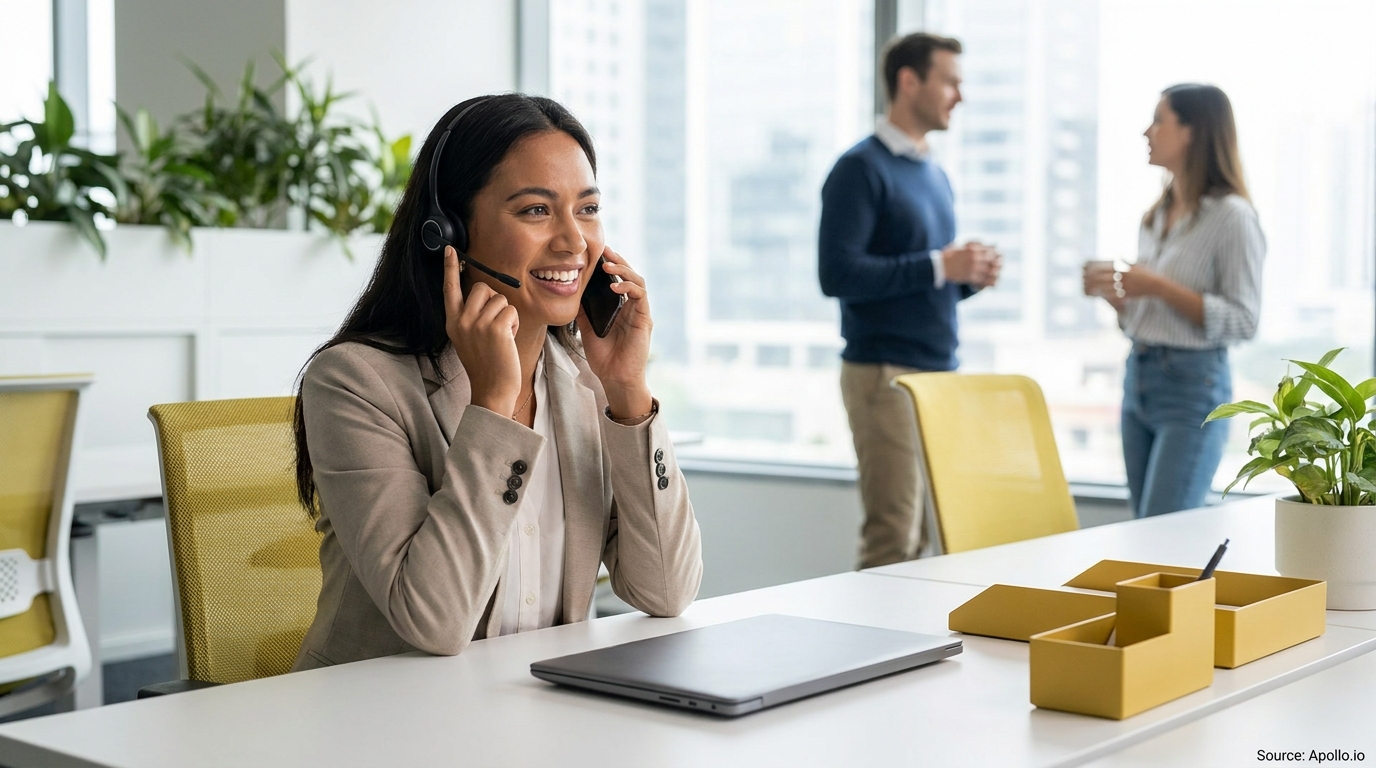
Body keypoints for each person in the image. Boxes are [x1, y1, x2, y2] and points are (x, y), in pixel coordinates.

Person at [289, 94, 702, 668]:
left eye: (586, 209)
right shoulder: (356, 383)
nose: (574, 243)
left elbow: (667, 590)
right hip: (385, 726)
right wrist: (492, 407)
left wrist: (629, 395)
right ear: (449, 231)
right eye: (536, 210)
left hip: (536, 715)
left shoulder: (585, 384)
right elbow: (433, 621)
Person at [819, 32, 1001, 568]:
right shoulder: (860, 169)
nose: (959, 97)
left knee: (928, 539)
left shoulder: (934, 173)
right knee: (894, 538)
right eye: (950, 82)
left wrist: (966, 277)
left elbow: (920, 281)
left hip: (937, 374)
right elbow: (838, 274)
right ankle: (871, 653)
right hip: (885, 375)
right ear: (909, 80)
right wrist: (941, 265)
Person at [1083, 84, 1265, 518]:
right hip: (1140, 376)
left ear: (1191, 132)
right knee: (1142, 526)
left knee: (1163, 533)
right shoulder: (1156, 215)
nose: (1148, 132)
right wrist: (1118, 298)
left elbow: (1244, 320)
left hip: (1193, 387)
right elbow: (1145, 319)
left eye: (1159, 120)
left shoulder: (1233, 218)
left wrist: (1159, 286)